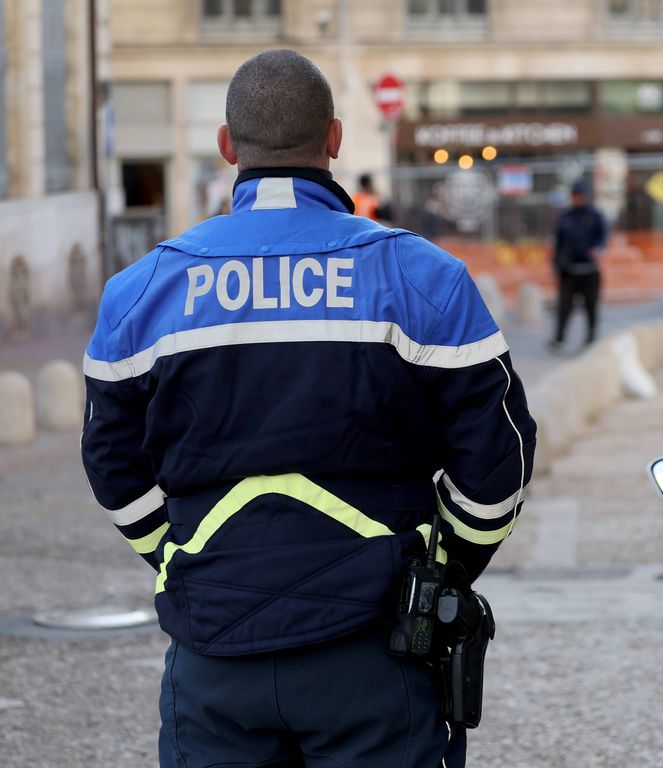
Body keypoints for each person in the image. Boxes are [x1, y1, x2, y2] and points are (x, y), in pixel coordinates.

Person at [81, 50, 536, 768]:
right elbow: (499, 465)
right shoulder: (425, 277)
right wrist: (440, 568)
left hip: (212, 652)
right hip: (378, 654)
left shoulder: (140, 291)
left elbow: (110, 464)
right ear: (334, 138)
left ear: (227, 146)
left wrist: (177, 557)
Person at [549, 178, 608, 351]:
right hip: (569, 271)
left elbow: (603, 237)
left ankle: (590, 338)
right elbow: (558, 242)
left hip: (589, 270)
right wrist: (556, 264)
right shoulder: (565, 217)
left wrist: (598, 249)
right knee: (564, 307)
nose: (576, 198)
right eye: (574, 195)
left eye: (579, 195)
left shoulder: (595, 216)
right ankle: (559, 339)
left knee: (590, 306)